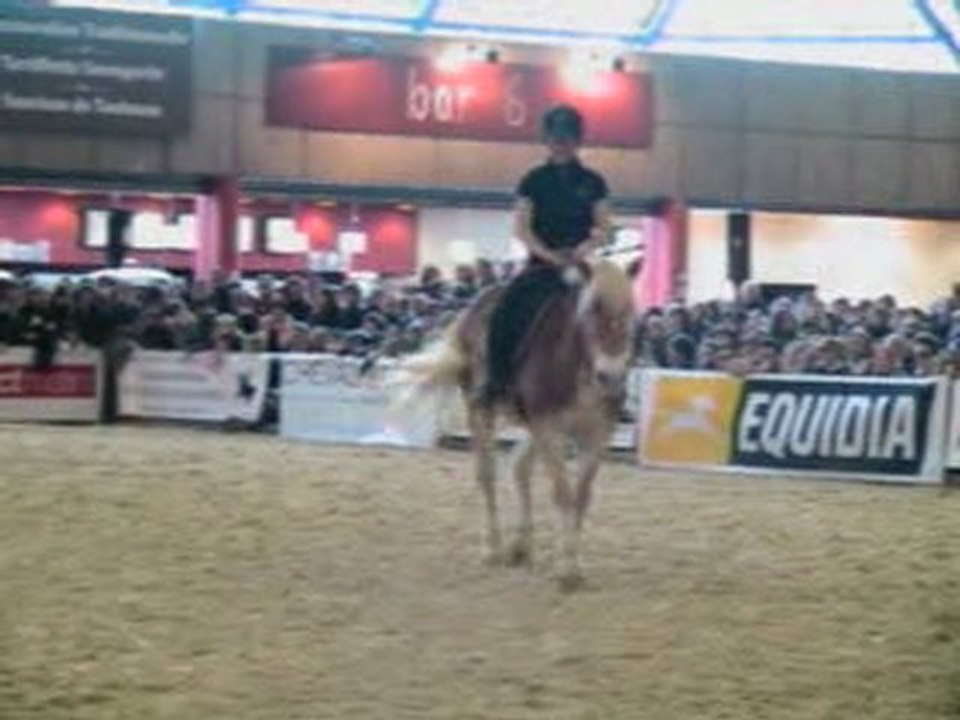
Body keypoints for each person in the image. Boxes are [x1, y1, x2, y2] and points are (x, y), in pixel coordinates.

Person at [477, 104, 612, 406]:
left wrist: (582, 250)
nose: (561, 144)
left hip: (582, 262)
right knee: (506, 311)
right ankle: (497, 380)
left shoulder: (594, 182)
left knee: (616, 313)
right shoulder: (533, 180)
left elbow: (604, 227)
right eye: (556, 138)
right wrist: (549, 255)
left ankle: (613, 386)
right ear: (548, 141)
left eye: (567, 138)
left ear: (577, 141)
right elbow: (522, 229)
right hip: (541, 264)